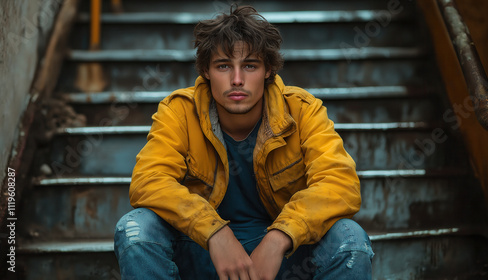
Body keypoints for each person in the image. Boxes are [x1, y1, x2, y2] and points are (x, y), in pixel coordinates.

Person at [114, 5, 374, 280]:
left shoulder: (302, 111)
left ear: (268, 70)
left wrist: (280, 237)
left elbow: (340, 183)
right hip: (202, 253)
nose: (237, 80)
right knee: (136, 228)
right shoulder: (180, 112)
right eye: (223, 66)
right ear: (205, 71)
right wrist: (214, 232)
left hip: (281, 260)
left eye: (249, 65)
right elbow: (149, 180)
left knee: (350, 238)